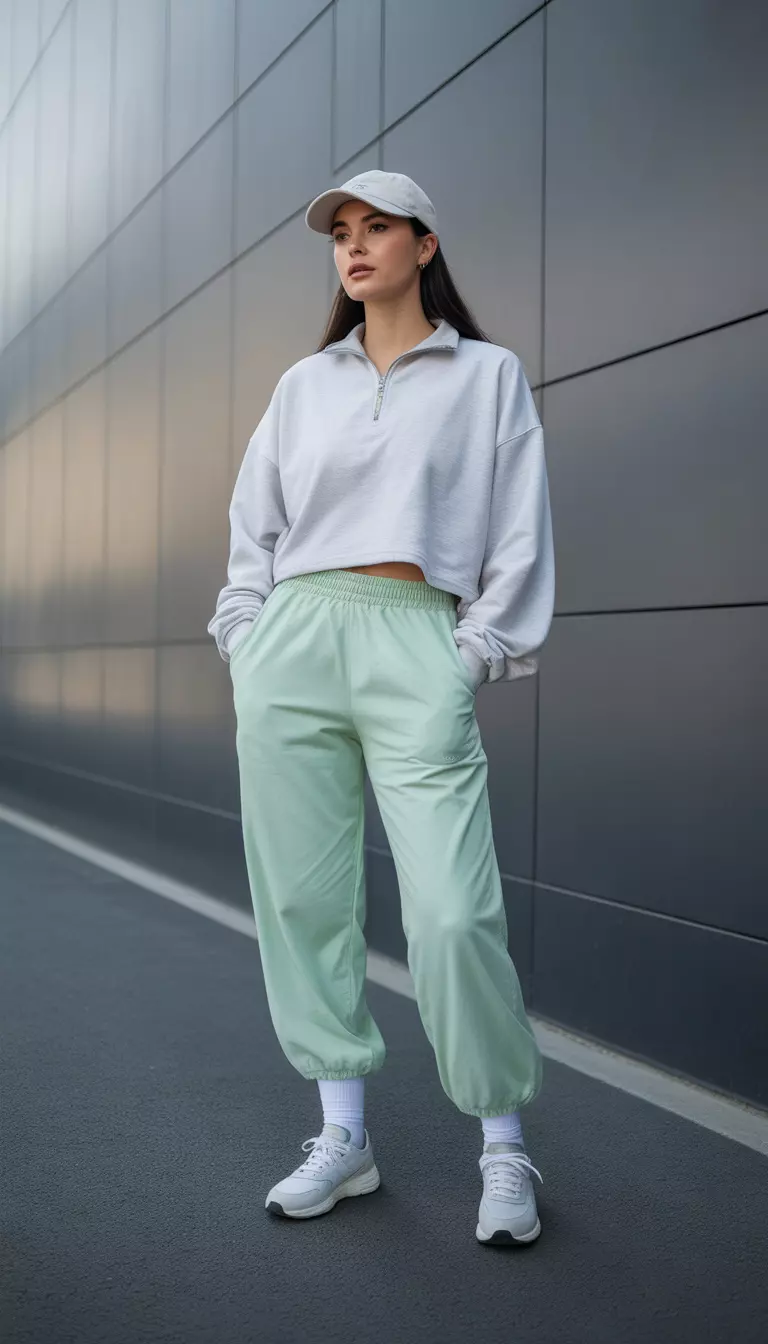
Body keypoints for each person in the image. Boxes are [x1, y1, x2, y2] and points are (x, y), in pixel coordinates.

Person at [207, 170, 555, 1245]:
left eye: (376, 229)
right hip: (296, 643)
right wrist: (244, 637)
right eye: (340, 235)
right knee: (305, 905)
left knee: (453, 912)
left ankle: (505, 1150)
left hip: (415, 635)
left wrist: (475, 653)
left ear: (424, 243)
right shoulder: (304, 384)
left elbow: (518, 530)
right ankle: (343, 1138)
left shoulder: (487, 375)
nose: (353, 247)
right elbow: (252, 528)